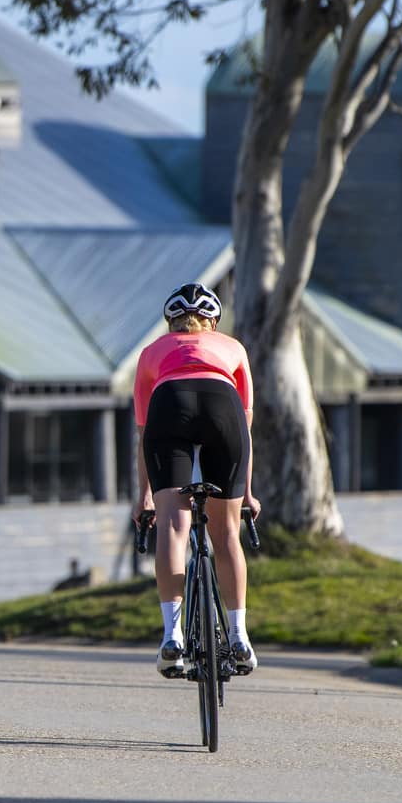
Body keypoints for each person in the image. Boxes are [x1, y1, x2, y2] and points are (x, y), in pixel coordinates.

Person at [133, 283, 260, 678]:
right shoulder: (233, 347)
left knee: (174, 526)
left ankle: (173, 637)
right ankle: (239, 637)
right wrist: (248, 495)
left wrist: (146, 497)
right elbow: (246, 426)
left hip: (169, 404)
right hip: (223, 405)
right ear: (214, 321)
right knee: (225, 534)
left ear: (170, 321)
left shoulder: (152, 351)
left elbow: (143, 430)